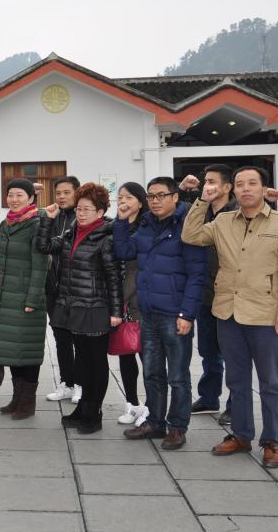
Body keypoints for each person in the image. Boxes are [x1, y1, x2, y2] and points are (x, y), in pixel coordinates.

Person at [182, 166, 278, 468]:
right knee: (236, 380)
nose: (246, 188)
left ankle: (272, 441)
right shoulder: (223, 221)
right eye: (240, 184)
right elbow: (191, 235)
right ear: (233, 190)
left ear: (264, 189)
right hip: (228, 312)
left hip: (266, 315)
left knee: (270, 383)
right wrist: (202, 200)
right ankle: (241, 434)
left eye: (252, 183)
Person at [114, 177, 207, 450]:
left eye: (161, 195)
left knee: (177, 376)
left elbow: (197, 274)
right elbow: (124, 251)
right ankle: (155, 422)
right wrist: (121, 221)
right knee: (152, 372)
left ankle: (177, 427)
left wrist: (187, 314)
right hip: (148, 312)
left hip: (175, 314)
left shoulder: (188, 225)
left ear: (175, 197)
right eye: (151, 196)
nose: (155, 201)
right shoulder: (146, 224)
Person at [38, 183, 123, 434]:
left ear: (100, 212)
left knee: (96, 363)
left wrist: (116, 312)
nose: (81, 213)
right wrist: (47, 220)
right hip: (73, 306)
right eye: (79, 209)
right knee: (83, 362)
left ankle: (94, 413)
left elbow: (114, 277)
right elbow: (44, 247)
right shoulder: (71, 232)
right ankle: (83, 408)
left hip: (96, 308)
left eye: (87, 209)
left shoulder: (106, 237)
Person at [0, 178, 48, 420]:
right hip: (5, 296)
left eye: (20, 195)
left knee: (27, 353)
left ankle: (27, 403)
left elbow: (41, 265)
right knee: (13, 351)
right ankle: (17, 398)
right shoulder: (7, 223)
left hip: (26, 299)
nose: (14, 199)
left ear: (31, 198)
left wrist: (32, 299)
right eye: (10, 195)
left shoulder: (37, 224)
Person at [179, 165, 238, 424]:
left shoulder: (238, 213)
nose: (208, 186)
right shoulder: (200, 209)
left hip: (231, 295)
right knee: (208, 351)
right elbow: (179, 220)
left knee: (233, 353)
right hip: (204, 293)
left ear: (227, 187)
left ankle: (236, 404)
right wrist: (185, 192)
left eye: (213, 181)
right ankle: (209, 397)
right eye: (206, 181)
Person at [44, 176, 83, 404]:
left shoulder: (84, 217)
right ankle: (66, 383)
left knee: (79, 339)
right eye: (58, 192)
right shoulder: (53, 217)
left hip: (77, 289)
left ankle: (80, 384)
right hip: (54, 288)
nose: (61, 196)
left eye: (66, 192)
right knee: (61, 339)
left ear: (77, 193)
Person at [114, 182, 149, 426]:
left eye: (128, 197)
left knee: (148, 357)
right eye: (120, 197)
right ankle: (132, 404)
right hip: (122, 300)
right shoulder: (117, 225)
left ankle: (152, 406)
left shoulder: (148, 226)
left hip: (141, 299)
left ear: (140, 200)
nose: (123, 202)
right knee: (125, 352)